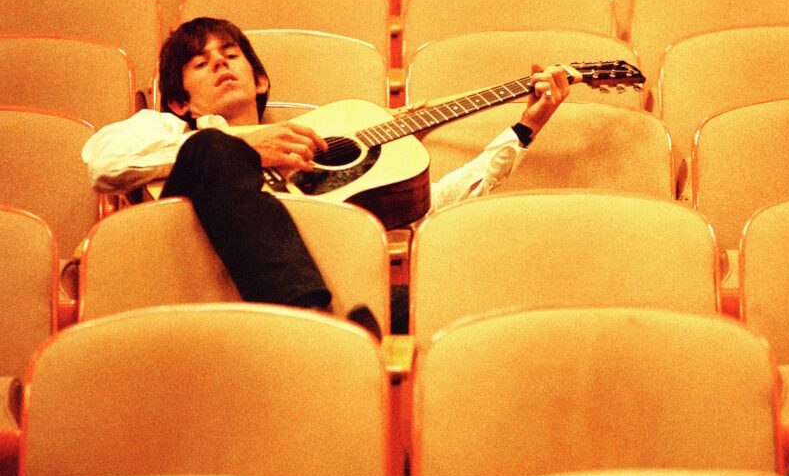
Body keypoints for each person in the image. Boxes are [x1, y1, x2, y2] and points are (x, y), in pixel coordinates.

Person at [82, 17, 572, 336]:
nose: (219, 63)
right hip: (196, 291)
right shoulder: (168, 132)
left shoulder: (313, 145)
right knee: (212, 147)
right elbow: (102, 162)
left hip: (325, 290)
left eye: (230, 54)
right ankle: (315, 326)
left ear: (259, 79)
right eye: (200, 62)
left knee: (455, 298)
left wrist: (524, 129)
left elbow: (434, 201)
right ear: (179, 100)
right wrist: (245, 145)